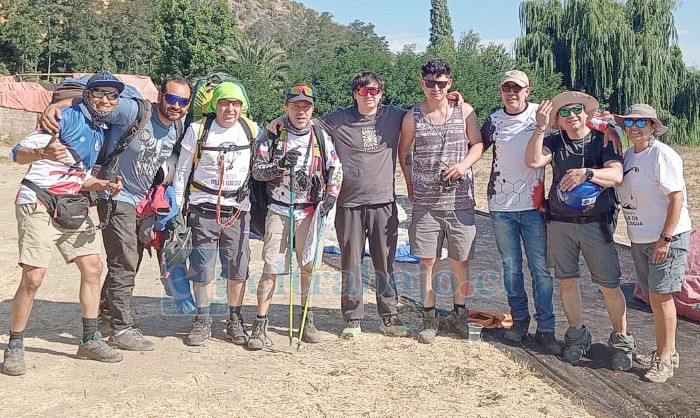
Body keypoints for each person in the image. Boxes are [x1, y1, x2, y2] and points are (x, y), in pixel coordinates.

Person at [42, 75, 193, 351]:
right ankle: (121, 329)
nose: (176, 105)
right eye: (171, 98)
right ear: (160, 96)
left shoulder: (178, 127)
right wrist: (59, 105)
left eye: (182, 101)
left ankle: (105, 317)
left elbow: (170, 156)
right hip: (115, 195)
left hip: (143, 202)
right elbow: (97, 102)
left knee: (128, 262)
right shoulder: (134, 111)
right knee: (124, 261)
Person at [4, 72, 125, 376]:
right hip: (39, 201)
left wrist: (102, 184)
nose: (106, 100)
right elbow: (16, 153)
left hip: (70, 204)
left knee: (93, 267)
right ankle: (15, 345)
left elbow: (77, 174)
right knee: (34, 277)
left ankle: (88, 339)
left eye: (112, 95)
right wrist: (43, 151)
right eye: (99, 93)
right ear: (88, 94)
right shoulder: (64, 118)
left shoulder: (99, 129)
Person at [524, 91, 635, 370]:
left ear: (587, 113)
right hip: (561, 223)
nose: (572, 115)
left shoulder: (603, 141)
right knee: (567, 281)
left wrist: (587, 173)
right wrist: (540, 128)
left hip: (596, 224)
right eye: (564, 112)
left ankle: (622, 343)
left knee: (608, 285)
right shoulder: (553, 141)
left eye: (576, 109)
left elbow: (617, 175)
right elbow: (533, 161)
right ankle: (577, 336)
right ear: (558, 120)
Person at [250, 84, 342, 350]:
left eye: (306, 106)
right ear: (286, 108)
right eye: (295, 106)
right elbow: (257, 171)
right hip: (279, 208)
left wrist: (332, 196)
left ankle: (306, 317)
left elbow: (335, 167)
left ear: (313, 108)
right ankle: (260, 322)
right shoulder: (272, 136)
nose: (301, 111)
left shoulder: (321, 136)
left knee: (308, 265)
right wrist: (279, 165)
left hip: (310, 211)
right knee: (271, 266)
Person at [398, 59, 483, 344]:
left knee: (461, 259)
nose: (436, 88)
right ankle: (428, 316)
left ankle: (459, 315)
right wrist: (410, 183)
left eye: (442, 83)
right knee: (427, 261)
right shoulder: (412, 117)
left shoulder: (465, 111)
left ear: (450, 84)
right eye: (430, 83)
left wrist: (463, 165)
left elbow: (478, 144)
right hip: (426, 203)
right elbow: (404, 150)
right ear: (422, 83)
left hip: (460, 201)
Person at [173, 81, 261, 346]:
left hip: (237, 210)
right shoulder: (198, 130)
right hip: (203, 208)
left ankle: (234, 319)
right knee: (202, 268)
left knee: (238, 268)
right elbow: (181, 171)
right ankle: (203, 321)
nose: (229, 109)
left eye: (235, 103)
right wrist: (178, 210)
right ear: (214, 105)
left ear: (242, 107)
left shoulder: (251, 130)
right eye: (224, 103)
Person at [480, 70, 559, 353]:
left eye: (517, 88)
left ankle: (546, 328)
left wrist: (609, 128)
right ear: (501, 91)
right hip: (500, 207)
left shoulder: (543, 115)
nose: (511, 92)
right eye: (506, 88)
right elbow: (475, 145)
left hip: (533, 208)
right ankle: (520, 320)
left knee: (540, 269)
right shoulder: (493, 120)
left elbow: (580, 122)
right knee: (511, 268)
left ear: (528, 91)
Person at [614, 104, 692, 382]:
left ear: (652, 126)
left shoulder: (662, 155)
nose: (634, 127)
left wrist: (666, 238)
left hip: (665, 238)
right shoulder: (627, 155)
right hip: (640, 237)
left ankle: (666, 358)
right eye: (629, 122)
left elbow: (676, 198)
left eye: (641, 122)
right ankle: (664, 350)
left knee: (662, 297)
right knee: (653, 298)